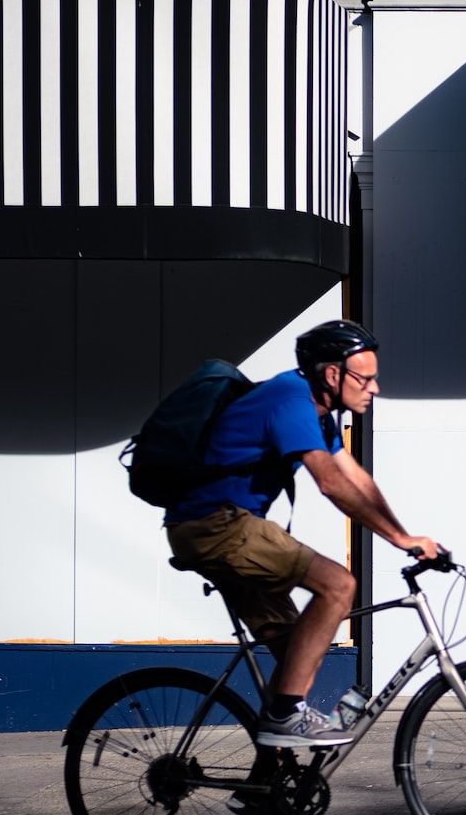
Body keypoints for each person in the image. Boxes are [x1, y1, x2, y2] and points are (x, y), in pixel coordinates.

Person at [164, 320, 440, 748]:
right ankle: (283, 717)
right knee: (338, 584)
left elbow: (358, 481)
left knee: (296, 654)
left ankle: (264, 786)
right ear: (333, 375)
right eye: (366, 379)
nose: (375, 388)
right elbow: (330, 483)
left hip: (221, 526)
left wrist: (408, 536)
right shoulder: (290, 401)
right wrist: (401, 542)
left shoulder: (319, 413)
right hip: (214, 525)